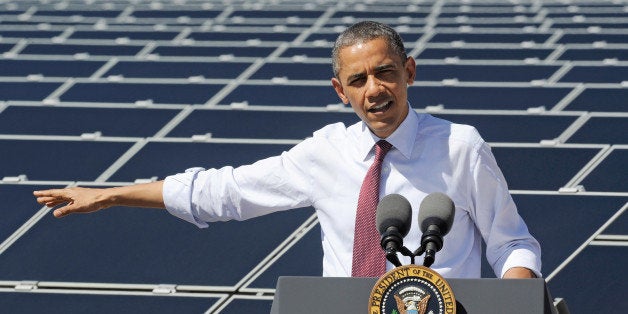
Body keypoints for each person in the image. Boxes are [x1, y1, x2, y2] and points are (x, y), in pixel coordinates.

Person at [34, 21, 541, 279]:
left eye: (386, 72)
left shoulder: (460, 146)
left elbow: (510, 243)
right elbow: (224, 192)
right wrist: (110, 195)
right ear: (340, 92)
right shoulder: (325, 153)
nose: (375, 90)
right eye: (358, 80)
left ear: (409, 72)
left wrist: (514, 301)